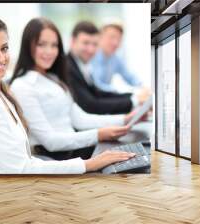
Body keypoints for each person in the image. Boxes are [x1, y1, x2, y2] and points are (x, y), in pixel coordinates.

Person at [0, 12, 135, 174]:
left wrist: (123, 120)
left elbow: (77, 117)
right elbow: (25, 164)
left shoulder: (3, 94)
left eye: (4, 48)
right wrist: (89, 163)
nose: (1, 57)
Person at [10, 18, 139, 162]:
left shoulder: (54, 79)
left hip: (73, 152)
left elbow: (79, 119)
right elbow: (50, 142)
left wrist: (123, 119)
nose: (49, 51)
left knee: (129, 154)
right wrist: (98, 134)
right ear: (28, 45)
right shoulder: (22, 86)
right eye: (42, 44)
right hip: (55, 160)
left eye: (54, 45)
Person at [67, 21, 134, 115]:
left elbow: (97, 93)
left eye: (94, 44)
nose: (91, 50)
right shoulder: (67, 67)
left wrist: (133, 97)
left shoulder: (82, 65)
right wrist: (133, 102)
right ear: (73, 41)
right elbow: (90, 105)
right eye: (85, 43)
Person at [91, 22, 150, 104]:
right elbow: (96, 86)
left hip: (104, 100)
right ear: (100, 38)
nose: (115, 43)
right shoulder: (91, 55)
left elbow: (129, 76)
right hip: (92, 101)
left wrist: (143, 87)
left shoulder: (115, 58)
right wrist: (129, 93)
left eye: (119, 39)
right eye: (112, 37)